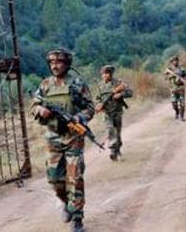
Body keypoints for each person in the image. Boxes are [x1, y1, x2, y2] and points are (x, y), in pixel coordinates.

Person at [31, 48, 95, 232]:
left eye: (58, 62)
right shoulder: (45, 85)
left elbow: (90, 107)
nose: (55, 66)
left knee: (74, 177)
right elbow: (34, 104)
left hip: (73, 137)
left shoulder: (77, 84)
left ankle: (77, 218)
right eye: (51, 63)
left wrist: (79, 118)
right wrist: (40, 111)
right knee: (54, 179)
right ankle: (67, 203)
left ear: (66, 64)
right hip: (52, 138)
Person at [95, 65, 133, 161]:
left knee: (117, 132)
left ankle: (117, 149)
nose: (105, 76)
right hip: (107, 113)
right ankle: (112, 150)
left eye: (107, 73)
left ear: (111, 74)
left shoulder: (118, 83)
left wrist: (121, 94)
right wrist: (99, 105)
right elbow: (97, 98)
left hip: (117, 111)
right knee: (110, 130)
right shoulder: (100, 85)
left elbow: (130, 92)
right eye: (103, 74)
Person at [164, 55, 186, 121]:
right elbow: (165, 78)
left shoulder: (182, 69)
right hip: (173, 89)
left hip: (181, 88)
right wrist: (172, 75)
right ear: (171, 62)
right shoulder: (169, 69)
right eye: (174, 61)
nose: (175, 62)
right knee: (174, 103)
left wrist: (182, 79)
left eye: (176, 60)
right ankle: (177, 112)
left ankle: (182, 116)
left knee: (182, 103)